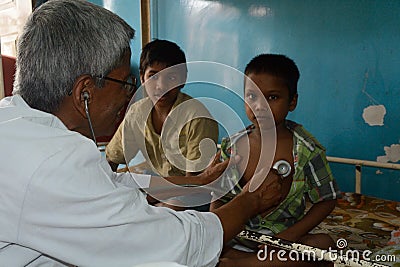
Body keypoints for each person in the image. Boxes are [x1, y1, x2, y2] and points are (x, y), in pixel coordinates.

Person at [0, 1, 282, 266]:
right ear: (84, 92)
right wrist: (251, 201)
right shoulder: (56, 160)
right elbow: (178, 244)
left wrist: (199, 180)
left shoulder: (14, 123)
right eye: (125, 82)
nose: (128, 93)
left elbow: (115, 182)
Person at [211, 54, 341, 266]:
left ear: (292, 101)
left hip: (283, 240)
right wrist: (215, 235)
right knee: (202, 240)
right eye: (252, 96)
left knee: (325, 245)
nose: (259, 106)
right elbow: (218, 197)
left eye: (272, 97)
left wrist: (287, 237)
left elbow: (327, 200)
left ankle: (241, 263)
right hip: (238, 236)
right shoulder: (232, 147)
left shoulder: (307, 150)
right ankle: (252, 262)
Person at [106, 39, 218, 210]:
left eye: (171, 77)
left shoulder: (197, 118)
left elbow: (194, 183)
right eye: (153, 76)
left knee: (167, 210)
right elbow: (111, 161)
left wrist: (151, 201)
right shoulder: (137, 113)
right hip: (160, 187)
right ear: (142, 77)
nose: (161, 86)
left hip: (194, 194)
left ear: (183, 79)